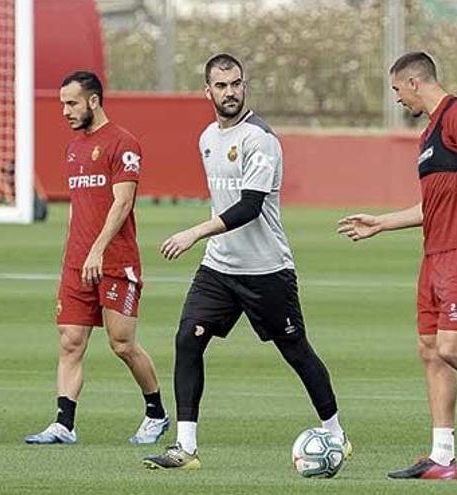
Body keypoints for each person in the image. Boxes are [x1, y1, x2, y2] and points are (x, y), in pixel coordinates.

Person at [142, 54, 350, 470]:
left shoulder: (260, 139)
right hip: (219, 267)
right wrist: (207, 240)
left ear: (244, 86)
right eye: (221, 86)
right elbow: (224, 203)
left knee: (295, 350)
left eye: (236, 84)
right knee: (188, 339)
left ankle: (336, 433)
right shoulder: (206, 138)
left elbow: (249, 207)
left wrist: (194, 231)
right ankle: (185, 449)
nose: (230, 92)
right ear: (208, 91)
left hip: (266, 269)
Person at [337, 51, 457, 480]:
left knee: (451, 348)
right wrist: (381, 223)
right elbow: (434, 204)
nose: (397, 100)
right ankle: (442, 457)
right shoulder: (428, 134)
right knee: (429, 349)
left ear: (414, 82)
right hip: (435, 254)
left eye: (396, 91)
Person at [24, 71, 168, 445]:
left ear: (93, 101)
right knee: (70, 340)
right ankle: (64, 424)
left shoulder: (124, 143)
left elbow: (123, 203)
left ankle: (156, 413)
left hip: (115, 261)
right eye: (61, 104)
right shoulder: (73, 147)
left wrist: (98, 250)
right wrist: (75, 252)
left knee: (121, 344)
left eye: (71, 103)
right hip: (77, 263)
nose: (65, 111)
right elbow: (78, 208)